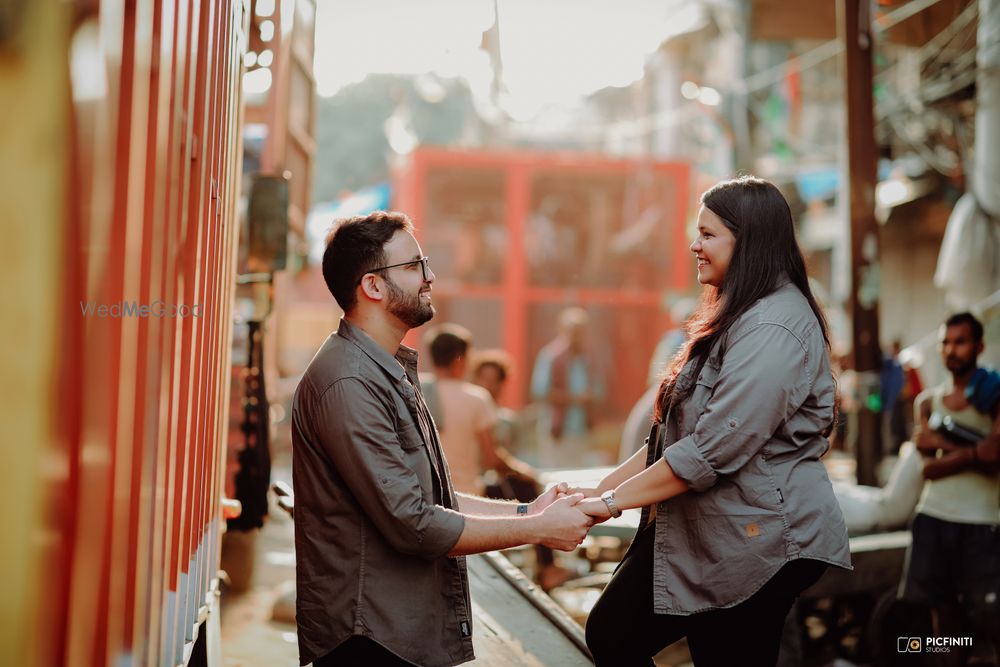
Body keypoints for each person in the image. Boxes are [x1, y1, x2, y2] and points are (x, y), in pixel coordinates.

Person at [291, 211, 592, 667]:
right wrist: (536, 530)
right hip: (371, 640)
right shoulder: (349, 382)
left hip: (395, 632)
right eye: (413, 266)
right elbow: (413, 524)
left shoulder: (386, 371)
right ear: (372, 286)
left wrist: (531, 510)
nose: (430, 277)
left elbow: (435, 500)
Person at [572, 176, 852, 666]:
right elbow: (675, 435)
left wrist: (609, 504)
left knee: (618, 634)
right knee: (614, 634)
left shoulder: (773, 326)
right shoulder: (740, 315)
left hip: (758, 538)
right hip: (717, 535)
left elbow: (711, 450)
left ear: (748, 241)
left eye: (708, 234)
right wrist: (595, 492)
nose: (694, 245)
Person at [898, 312, 1000, 666]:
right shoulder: (927, 402)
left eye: (960, 341)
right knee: (944, 625)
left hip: (981, 522)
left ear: (979, 346)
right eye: (945, 342)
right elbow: (928, 469)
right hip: (933, 518)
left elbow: (994, 457)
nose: (951, 350)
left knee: (991, 618)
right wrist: (976, 450)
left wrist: (943, 443)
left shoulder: (995, 397)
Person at [469, 348, 577, 591]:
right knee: (530, 488)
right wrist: (524, 472)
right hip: (475, 483)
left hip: (489, 479)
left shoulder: (504, 418)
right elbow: (493, 459)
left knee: (529, 488)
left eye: (493, 381)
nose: (488, 385)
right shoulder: (476, 405)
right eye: (483, 379)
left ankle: (545, 563)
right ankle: (547, 566)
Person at [530, 307, 605, 467]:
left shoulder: (589, 358)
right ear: (562, 330)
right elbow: (540, 391)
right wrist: (575, 398)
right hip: (557, 429)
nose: (577, 336)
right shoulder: (551, 356)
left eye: (581, 331)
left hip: (581, 429)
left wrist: (590, 397)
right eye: (574, 331)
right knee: (555, 474)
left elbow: (599, 391)